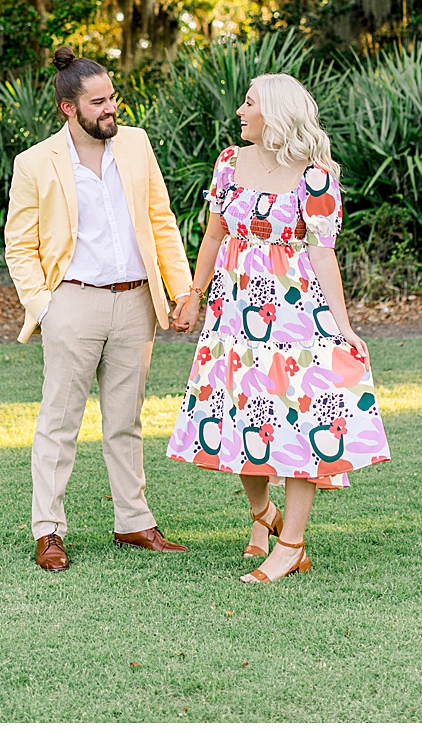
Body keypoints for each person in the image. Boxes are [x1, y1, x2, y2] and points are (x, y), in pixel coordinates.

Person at [164, 73, 390, 583]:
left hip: (296, 317)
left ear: (276, 112)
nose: (239, 111)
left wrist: (343, 325)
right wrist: (194, 296)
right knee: (241, 421)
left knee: (300, 426)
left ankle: (291, 545)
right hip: (233, 315)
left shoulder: (315, 177)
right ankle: (264, 517)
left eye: (249, 103)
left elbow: (322, 253)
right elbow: (214, 234)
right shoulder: (228, 163)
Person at [3, 46, 195, 572]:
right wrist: (44, 307)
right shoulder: (35, 162)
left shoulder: (135, 145)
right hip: (73, 304)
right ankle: (48, 531)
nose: (111, 108)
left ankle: (133, 522)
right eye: (99, 102)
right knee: (59, 423)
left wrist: (181, 291)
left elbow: (161, 220)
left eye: (112, 97)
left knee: (126, 421)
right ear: (69, 108)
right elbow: (18, 246)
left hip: (137, 302)